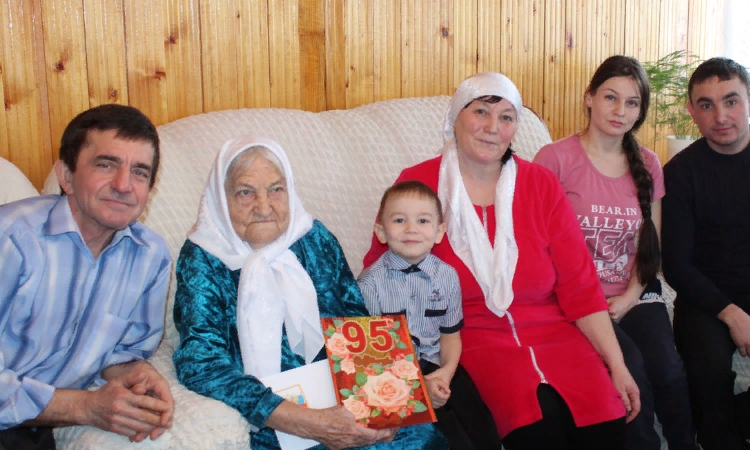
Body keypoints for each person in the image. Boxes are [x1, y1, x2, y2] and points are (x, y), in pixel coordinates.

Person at [363, 72, 640, 450]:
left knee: (606, 422)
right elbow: (375, 279)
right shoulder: (418, 184)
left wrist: (617, 365)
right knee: (537, 428)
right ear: (456, 118)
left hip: (555, 332)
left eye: (506, 117)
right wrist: (385, 393)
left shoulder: (541, 184)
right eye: (480, 112)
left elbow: (581, 287)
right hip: (468, 338)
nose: (493, 127)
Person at [172, 136, 447, 450]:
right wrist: (306, 422)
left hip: (344, 398)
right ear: (222, 198)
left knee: (420, 438)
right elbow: (201, 363)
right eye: (245, 192)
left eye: (276, 189)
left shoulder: (314, 236)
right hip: (273, 418)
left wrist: (387, 406)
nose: (264, 206)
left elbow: (356, 320)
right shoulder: (203, 256)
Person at [534, 55, 696, 450]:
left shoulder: (649, 164)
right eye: (610, 97)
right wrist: (587, 304)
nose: (620, 110)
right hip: (576, 301)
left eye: (632, 102)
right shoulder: (554, 159)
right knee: (630, 371)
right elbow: (538, 246)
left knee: (669, 370)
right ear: (589, 97)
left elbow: (650, 246)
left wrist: (628, 298)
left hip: (635, 291)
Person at [0, 104, 174, 449]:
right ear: (66, 176)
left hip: (34, 429)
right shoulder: (11, 240)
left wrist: (138, 374)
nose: (123, 185)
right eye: (106, 165)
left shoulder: (150, 257)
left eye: (139, 172)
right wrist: (84, 407)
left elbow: (123, 354)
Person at [662, 57, 750, 450]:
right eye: (706, 105)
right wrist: (732, 314)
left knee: (717, 418)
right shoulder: (680, 172)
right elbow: (676, 264)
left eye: (731, 101)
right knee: (706, 374)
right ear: (692, 111)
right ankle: (715, 428)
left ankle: (720, 428)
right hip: (707, 298)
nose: (720, 116)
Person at [359, 180, 502, 450]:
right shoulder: (369, 285)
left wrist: (446, 373)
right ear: (381, 232)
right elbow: (372, 361)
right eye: (399, 220)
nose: (411, 228)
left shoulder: (447, 276)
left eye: (423, 221)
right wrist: (418, 387)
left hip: (440, 365)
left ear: (439, 232)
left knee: (481, 428)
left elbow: (450, 336)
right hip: (393, 377)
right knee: (449, 439)